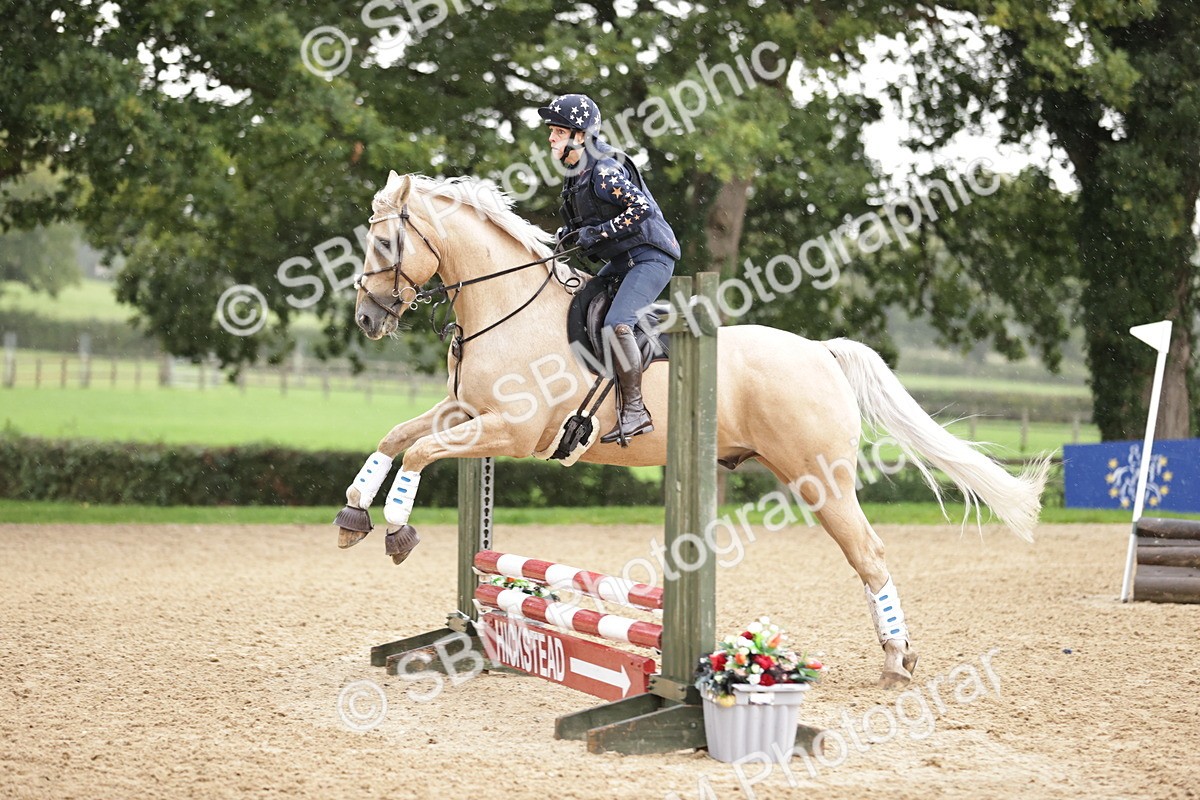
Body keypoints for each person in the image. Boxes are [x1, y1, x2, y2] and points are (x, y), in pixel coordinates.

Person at [538, 93, 681, 445]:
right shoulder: (576, 174)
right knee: (581, 304)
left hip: (650, 258)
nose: (551, 137)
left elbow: (640, 209)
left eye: (559, 131)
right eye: (552, 130)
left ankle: (635, 410)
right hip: (621, 262)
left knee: (618, 324)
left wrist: (597, 233)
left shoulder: (603, 170)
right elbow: (583, 224)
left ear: (581, 136)